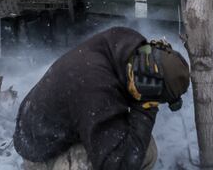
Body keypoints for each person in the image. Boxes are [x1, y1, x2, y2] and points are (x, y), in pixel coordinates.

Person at [13, 26, 191, 170]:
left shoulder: (129, 46)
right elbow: (117, 164)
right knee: (139, 154)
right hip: (41, 153)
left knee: (141, 144)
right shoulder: (96, 88)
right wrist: (146, 106)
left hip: (56, 124)